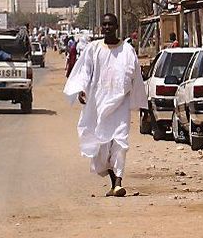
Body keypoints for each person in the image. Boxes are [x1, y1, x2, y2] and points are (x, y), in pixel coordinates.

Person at [63, 13, 148, 198]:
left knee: (120, 143)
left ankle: (118, 181)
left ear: (117, 27)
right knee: (100, 145)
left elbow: (136, 78)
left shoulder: (127, 50)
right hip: (97, 103)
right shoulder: (93, 49)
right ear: (101, 27)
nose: (107, 27)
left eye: (111, 24)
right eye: (104, 24)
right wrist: (81, 90)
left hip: (120, 105)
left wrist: (141, 104)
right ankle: (114, 183)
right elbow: (85, 72)